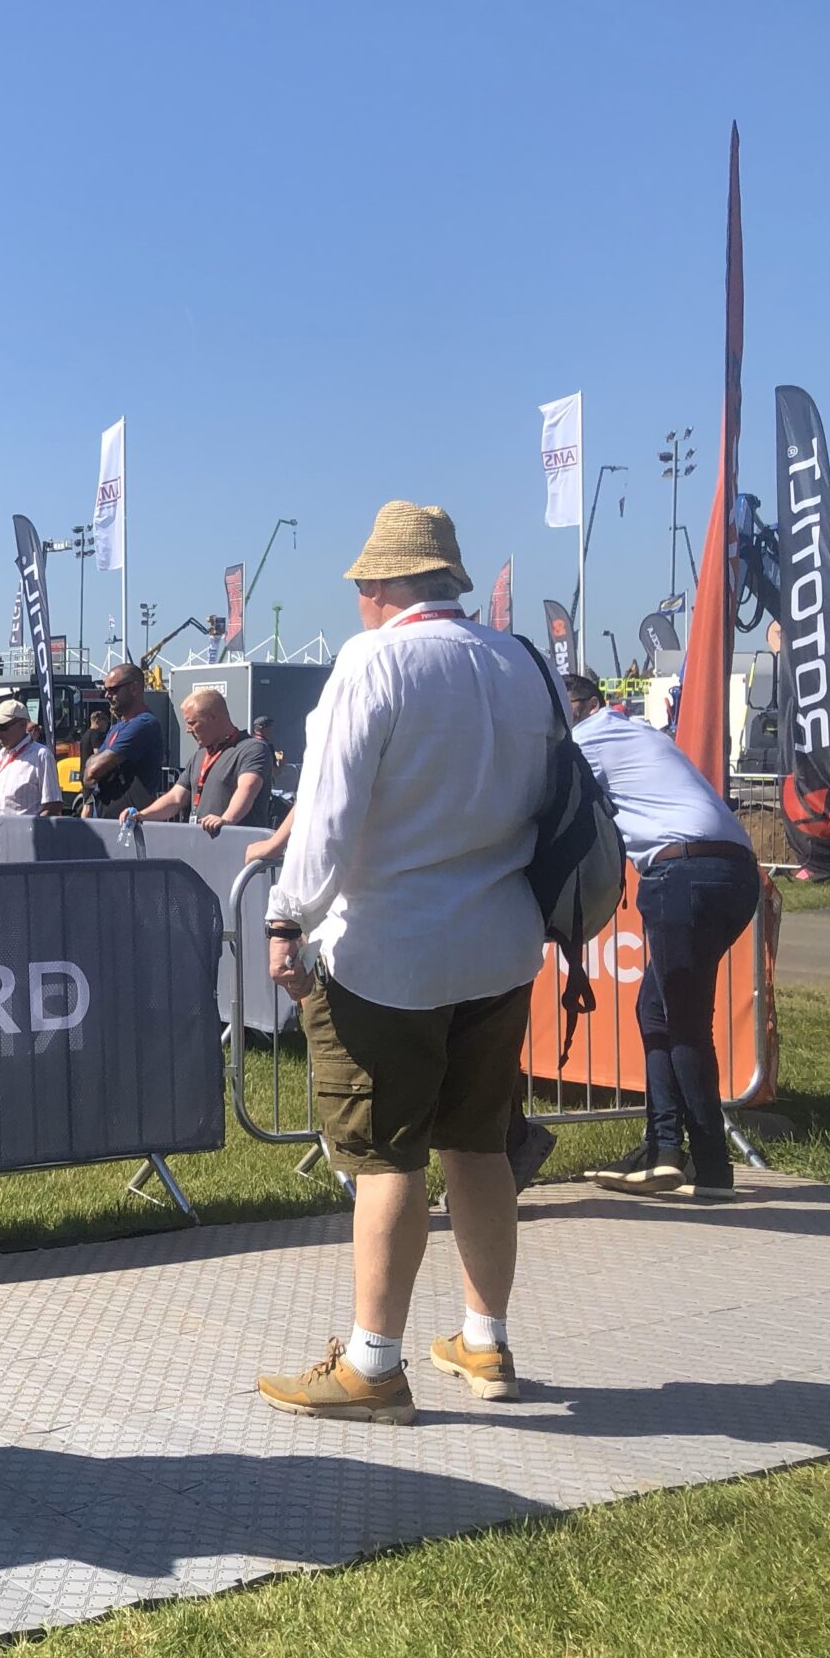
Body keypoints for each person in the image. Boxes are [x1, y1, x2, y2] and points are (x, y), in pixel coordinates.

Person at [254, 502, 552, 1422]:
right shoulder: (521, 661)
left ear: (380, 584)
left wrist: (286, 917)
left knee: (386, 1158)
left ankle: (373, 1364)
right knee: (479, 1146)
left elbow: (328, 810)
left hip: (388, 950)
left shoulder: (372, 661)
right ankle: (486, 1341)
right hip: (501, 941)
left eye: (361, 586)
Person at [562, 674, 762, 1200]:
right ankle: (665, 1150)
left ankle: (708, 1165)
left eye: (564, 705)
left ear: (587, 706)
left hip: (682, 874)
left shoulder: (587, 738)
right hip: (731, 874)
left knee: (683, 1023)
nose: (557, 717)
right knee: (658, 1012)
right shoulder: (636, 732)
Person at [130, 687, 273, 835]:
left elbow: (247, 788)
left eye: (192, 723)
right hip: (200, 843)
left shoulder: (252, 749)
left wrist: (226, 820)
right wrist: (142, 815)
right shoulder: (200, 754)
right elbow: (176, 798)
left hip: (237, 843)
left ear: (213, 717)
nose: (188, 730)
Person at [81, 664, 164, 815]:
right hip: (107, 819)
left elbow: (93, 770)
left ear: (134, 688)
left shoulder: (143, 724)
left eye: (113, 690)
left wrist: (95, 763)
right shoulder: (117, 727)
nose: (107, 695)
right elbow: (89, 773)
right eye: (105, 690)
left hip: (130, 822)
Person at [0, 698, 54, 822]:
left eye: (2, 727)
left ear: (22, 725)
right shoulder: (2, 755)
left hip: (23, 833)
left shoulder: (41, 755)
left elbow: (53, 804)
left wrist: (29, 829)